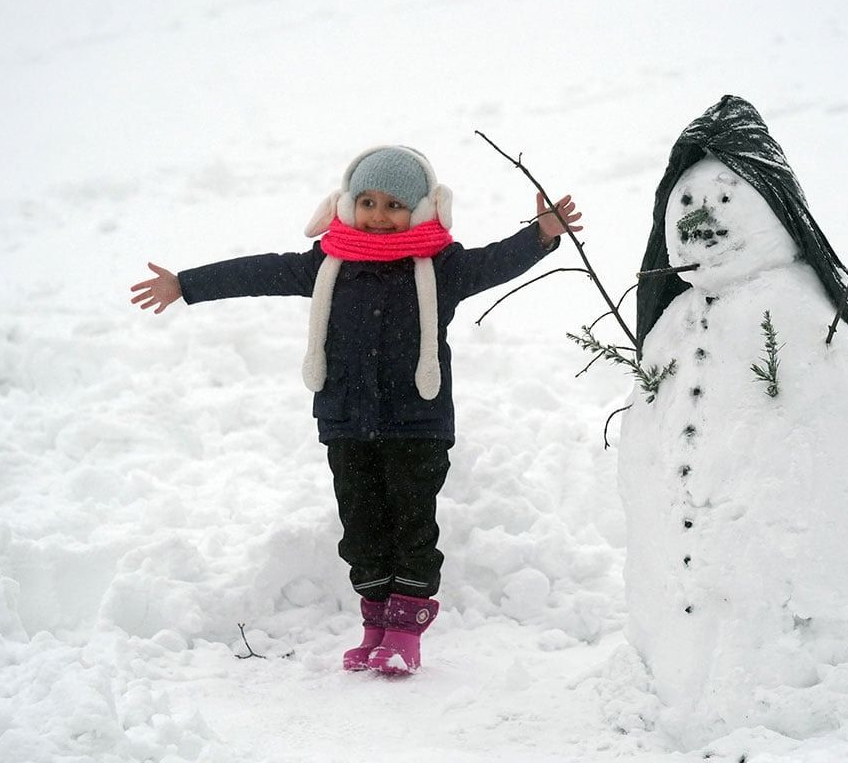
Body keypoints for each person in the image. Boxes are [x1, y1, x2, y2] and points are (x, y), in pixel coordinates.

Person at [129, 145, 582, 674]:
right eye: (368, 201)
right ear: (348, 204)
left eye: (394, 205)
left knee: (412, 525)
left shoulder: (441, 267)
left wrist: (541, 234)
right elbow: (260, 272)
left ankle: (405, 633)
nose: (379, 214)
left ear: (419, 209)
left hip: (418, 425)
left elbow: (495, 261)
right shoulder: (329, 265)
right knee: (361, 526)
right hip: (346, 422)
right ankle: (374, 625)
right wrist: (187, 284)